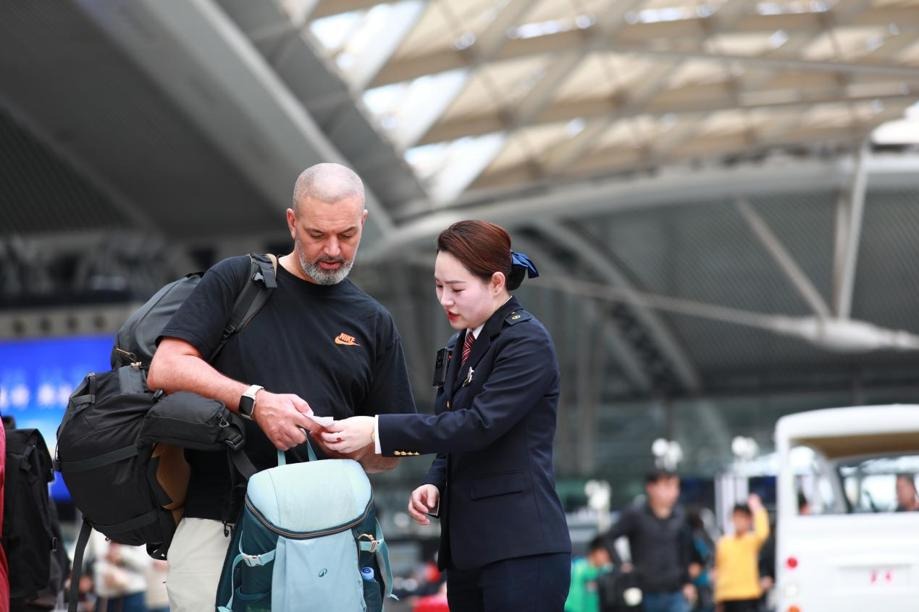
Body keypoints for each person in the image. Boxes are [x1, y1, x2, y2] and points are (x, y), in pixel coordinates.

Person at [147, 162, 417, 610]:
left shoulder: (374, 322)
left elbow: (393, 451)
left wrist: (355, 442)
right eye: (317, 234)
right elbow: (167, 366)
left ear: (363, 222)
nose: (332, 249)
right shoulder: (237, 281)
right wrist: (254, 401)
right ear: (292, 222)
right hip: (221, 524)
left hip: (326, 536)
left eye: (347, 235)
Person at [323, 220, 572, 611]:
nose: (445, 299)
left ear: (495, 282)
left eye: (456, 289)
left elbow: (478, 425)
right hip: (469, 554)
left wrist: (376, 430)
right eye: (439, 287)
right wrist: (437, 480)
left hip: (521, 550)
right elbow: (453, 427)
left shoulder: (526, 341)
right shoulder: (462, 343)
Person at [604, 470, 698, 612]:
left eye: (675, 486)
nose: (673, 491)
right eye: (667, 486)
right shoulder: (635, 514)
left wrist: (688, 582)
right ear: (651, 488)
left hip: (675, 590)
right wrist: (621, 564)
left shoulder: (680, 515)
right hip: (645, 591)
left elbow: (684, 551)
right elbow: (609, 537)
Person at [713, 495, 769, 612]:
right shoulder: (723, 542)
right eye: (736, 517)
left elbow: (763, 532)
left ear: (749, 520)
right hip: (727, 596)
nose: (739, 521)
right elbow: (719, 570)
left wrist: (757, 508)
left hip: (747, 595)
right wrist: (718, 597)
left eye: (743, 517)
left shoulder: (751, 541)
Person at [565, 536, 614, 612]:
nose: (607, 557)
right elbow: (575, 598)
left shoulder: (604, 570)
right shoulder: (579, 569)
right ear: (596, 552)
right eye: (605, 553)